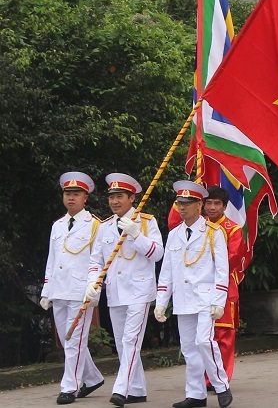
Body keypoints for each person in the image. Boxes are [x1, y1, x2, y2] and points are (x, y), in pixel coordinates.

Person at [154, 181, 233, 408]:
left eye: (187, 203)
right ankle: (196, 394)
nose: (182, 207)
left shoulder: (213, 232)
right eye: (179, 203)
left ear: (199, 205)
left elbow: (222, 269)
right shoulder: (174, 234)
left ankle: (221, 385)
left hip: (206, 298)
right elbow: (167, 270)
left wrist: (219, 300)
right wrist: (161, 302)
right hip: (182, 298)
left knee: (204, 341)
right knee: (188, 348)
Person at [87, 173, 163, 407]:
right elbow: (96, 260)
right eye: (112, 197)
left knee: (131, 340)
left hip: (140, 291)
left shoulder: (146, 222)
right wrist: (92, 282)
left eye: (120, 196)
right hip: (116, 291)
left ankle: (122, 388)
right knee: (122, 343)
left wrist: (136, 234)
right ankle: (138, 390)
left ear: (132, 198)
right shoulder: (105, 226)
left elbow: (157, 253)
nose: (115, 201)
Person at [42, 172, 104, 405]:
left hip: (81, 291)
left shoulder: (95, 225)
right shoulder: (57, 225)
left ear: (85, 197)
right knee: (69, 341)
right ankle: (93, 377)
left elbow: (98, 261)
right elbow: (52, 259)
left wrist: (94, 288)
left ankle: (70, 387)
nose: (71, 198)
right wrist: (46, 290)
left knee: (75, 339)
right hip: (59, 289)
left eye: (76, 194)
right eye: (68, 194)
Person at [202, 186, 247, 384]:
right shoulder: (197, 226)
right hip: (199, 288)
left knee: (223, 334)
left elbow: (232, 259)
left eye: (216, 203)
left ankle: (221, 378)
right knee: (202, 336)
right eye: (208, 203)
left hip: (225, 287)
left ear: (224, 206)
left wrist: (203, 269)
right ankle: (204, 378)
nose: (212, 207)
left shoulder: (233, 229)